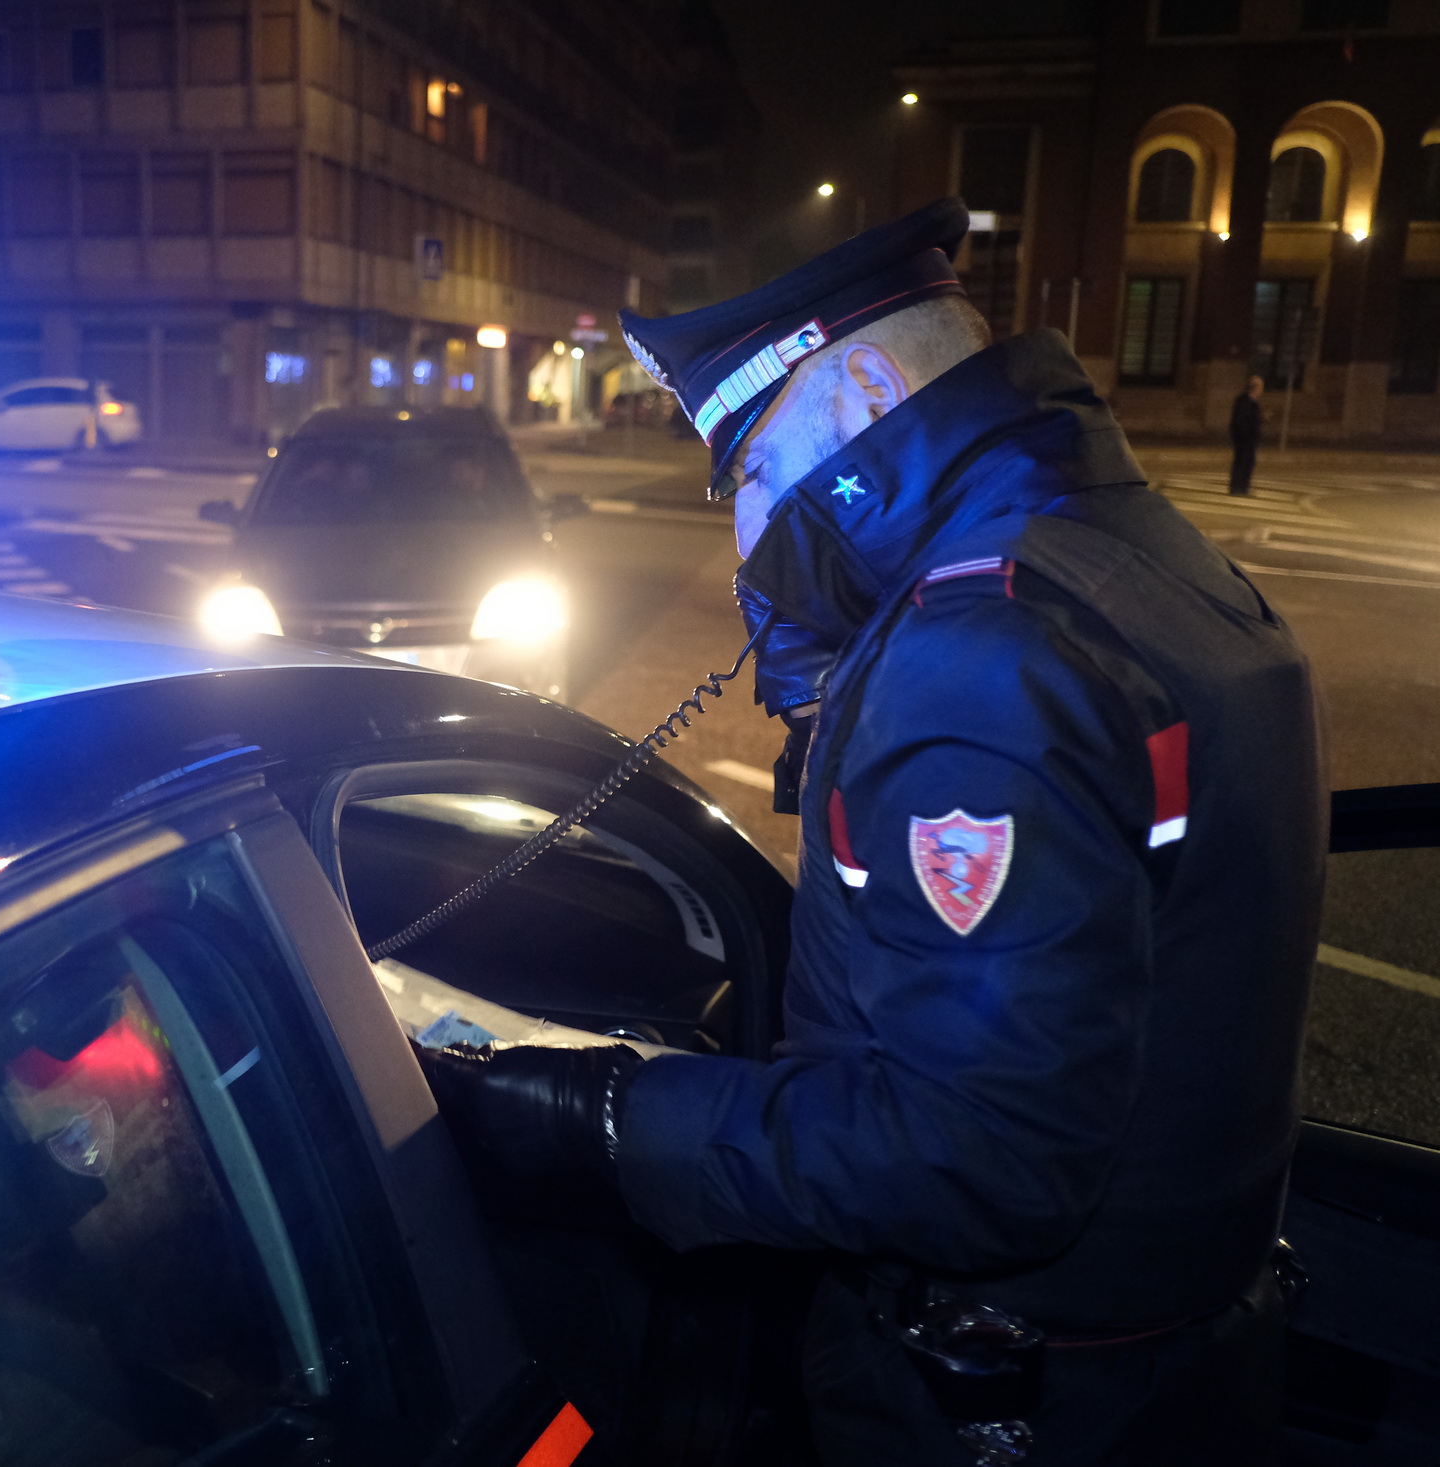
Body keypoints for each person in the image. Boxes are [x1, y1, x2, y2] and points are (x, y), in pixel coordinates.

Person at [416, 198, 1323, 1465]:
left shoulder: (981, 652)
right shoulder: (1115, 551)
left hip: (1004, 1400)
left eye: (750, 469)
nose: (747, 528)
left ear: (862, 394)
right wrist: (831, 680)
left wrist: (606, 1114)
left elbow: (979, 1161)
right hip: (1167, 1361)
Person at [1230, 374, 1265, 495]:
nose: (1261, 390)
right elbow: (1241, 421)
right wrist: (1246, 436)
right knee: (1242, 463)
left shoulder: (1250, 402)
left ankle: (1242, 487)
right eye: (1260, 387)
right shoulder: (1245, 401)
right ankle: (1238, 488)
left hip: (1248, 439)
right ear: (1255, 388)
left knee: (1247, 463)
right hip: (1245, 439)